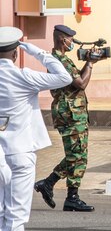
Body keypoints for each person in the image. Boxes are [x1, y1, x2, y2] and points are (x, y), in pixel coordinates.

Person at [0, 26, 72, 231]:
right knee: (16, 216)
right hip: (19, 152)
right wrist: (36, 51)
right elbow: (64, 77)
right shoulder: (24, 76)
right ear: (15, 53)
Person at [34, 25, 100, 212]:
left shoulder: (60, 60)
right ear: (63, 40)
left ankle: (59, 189)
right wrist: (90, 64)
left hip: (72, 113)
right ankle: (65, 192)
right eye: (70, 39)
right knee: (77, 155)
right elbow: (81, 83)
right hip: (70, 114)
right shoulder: (59, 61)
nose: (72, 42)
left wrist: (87, 62)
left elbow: (74, 81)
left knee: (78, 155)